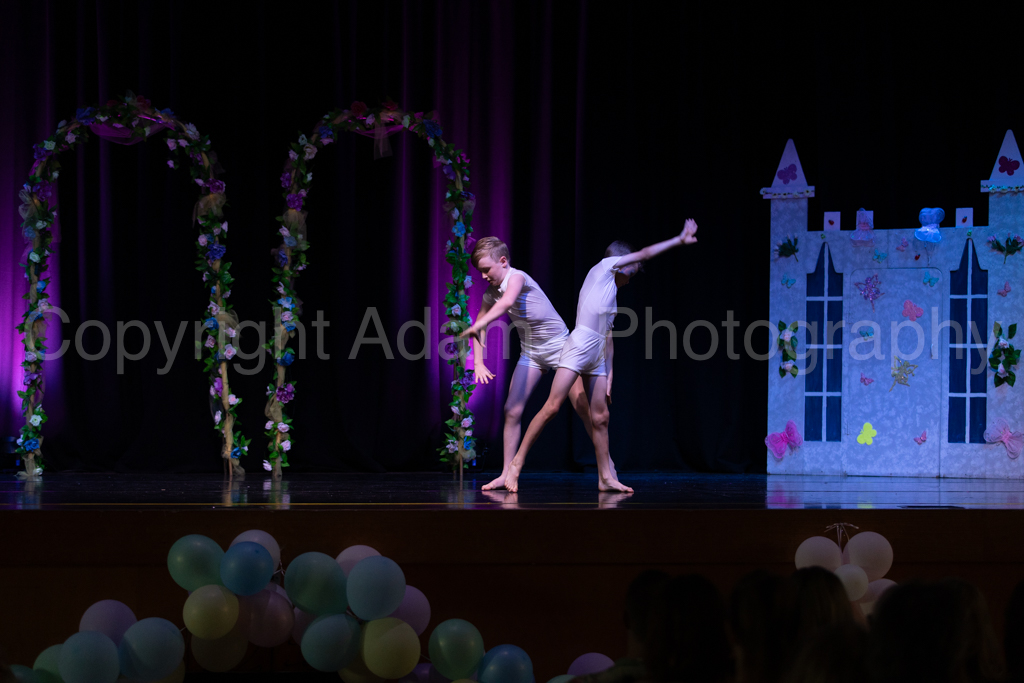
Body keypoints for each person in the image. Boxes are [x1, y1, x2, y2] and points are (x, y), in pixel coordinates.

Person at [503, 220, 699, 493]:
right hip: (580, 345)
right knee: (552, 407)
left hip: (596, 354)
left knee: (601, 417)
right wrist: (679, 239)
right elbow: (644, 254)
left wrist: (609, 376)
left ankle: (605, 477)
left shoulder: (611, 294)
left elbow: (608, 339)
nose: (631, 279)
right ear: (622, 263)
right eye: (632, 272)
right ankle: (516, 464)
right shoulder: (605, 268)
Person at [460, 237, 600, 491]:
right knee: (511, 410)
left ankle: (607, 467)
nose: (483, 276)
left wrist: (481, 322)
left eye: (486, 269)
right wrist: (477, 362)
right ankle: (505, 473)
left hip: (561, 347)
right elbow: (479, 326)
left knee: (581, 406)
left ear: (503, 261)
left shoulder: (517, 277)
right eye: (479, 271)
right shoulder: (490, 293)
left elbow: (507, 302)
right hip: (532, 353)